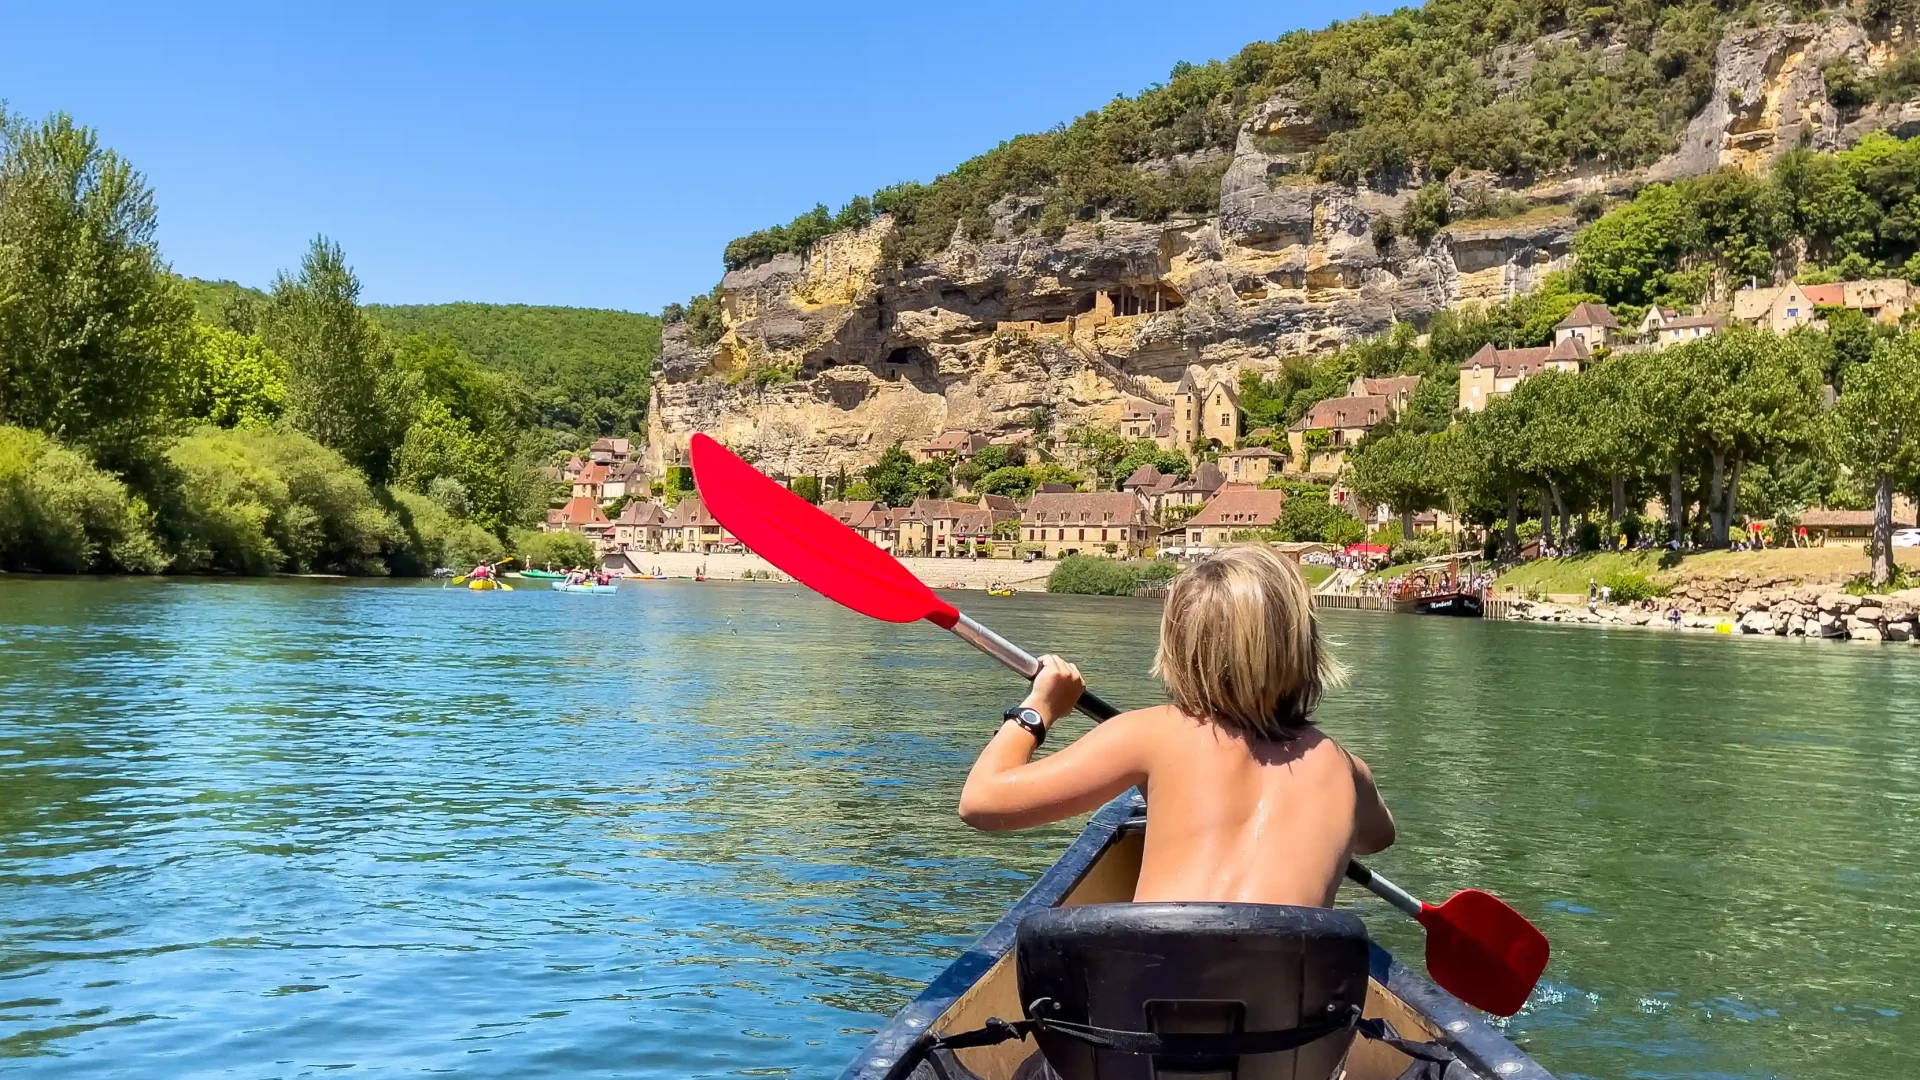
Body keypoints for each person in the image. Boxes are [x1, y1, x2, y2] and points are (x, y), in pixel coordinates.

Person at [957, 545, 1394, 907]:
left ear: (1179, 645)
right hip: (1292, 1010)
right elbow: (1377, 838)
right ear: (1306, 647)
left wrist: (1040, 708)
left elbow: (980, 802)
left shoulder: (1150, 734)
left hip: (1151, 1003)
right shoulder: (1346, 771)